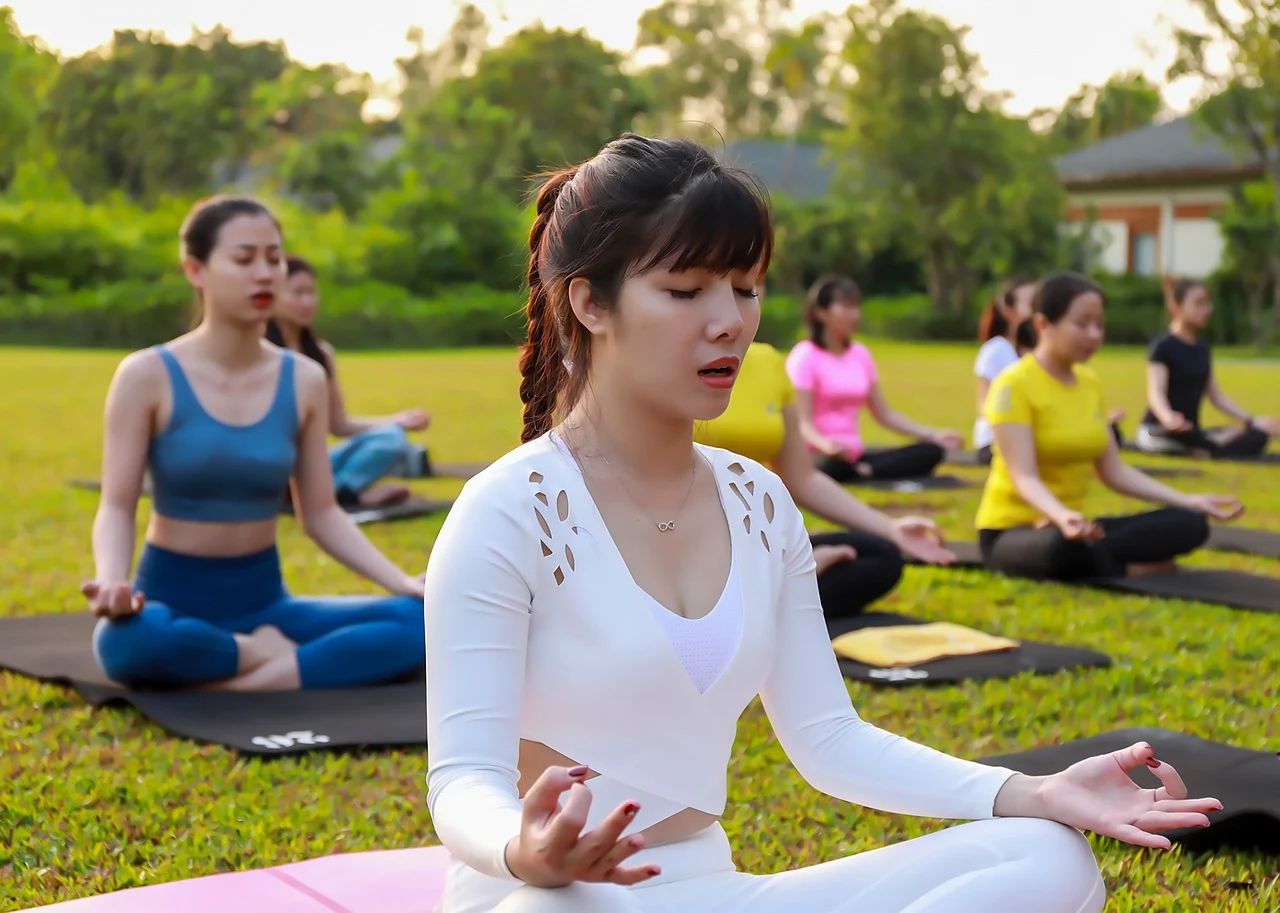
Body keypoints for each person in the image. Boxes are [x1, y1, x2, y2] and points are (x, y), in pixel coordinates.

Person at [424, 135, 1220, 913]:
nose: (730, 321)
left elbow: (830, 738)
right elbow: (462, 778)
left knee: (1043, 853)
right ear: (589, 301)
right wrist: (521, 846)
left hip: (714, 888)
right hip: (551, 897)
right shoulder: (508, 510)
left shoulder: (759, 501)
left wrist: (1035, 789)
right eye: (685, 289)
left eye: (745, 287)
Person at [85, 197, 425, 691]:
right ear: (195, 270)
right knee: (125, 642)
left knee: (415, 622)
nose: (265, 274)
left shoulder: (304, 379)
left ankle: (248, 681)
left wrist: (402, 582)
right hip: (169, 599)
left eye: (274, 258)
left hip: (266, 603)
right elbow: (116, 505)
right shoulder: (146, 375)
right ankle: (262, 656)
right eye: (244, 259)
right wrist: (114, 581)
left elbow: (322, 513)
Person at [976, 272, 1244, 581]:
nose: (1094, 335)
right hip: (1015, 531)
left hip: (1077, 527)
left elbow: (1114, 472)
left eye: (1099, 325)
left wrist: (1188, 500)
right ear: (1042, 325)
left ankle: (1100, 557)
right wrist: (1059, 515)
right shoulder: (1013, 385)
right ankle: (1129, 567)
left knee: (1190, 523)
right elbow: (1024, 476)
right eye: (1082, 324)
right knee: (1060, 549)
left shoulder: (1089, 383)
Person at [695, 340, 954, 620]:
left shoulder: (768, 360)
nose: (734, 313)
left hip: (758, 544)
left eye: (747, 294)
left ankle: (773, 594)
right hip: (687, 553)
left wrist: (890, 528)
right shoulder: (661, 361)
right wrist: (783, 567)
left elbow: (802, 477)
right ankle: (769, 593)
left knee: (879, 556)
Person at [266, 255, 432, 510]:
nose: (307, 301)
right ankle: (338, 493)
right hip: (270, 464)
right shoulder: (258, 352)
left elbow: (339, 424)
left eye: (311, 293)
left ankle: (337, 492)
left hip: (315, 465)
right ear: (273, 294)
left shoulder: (322, 354)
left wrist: (398, 420)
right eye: (297, 293)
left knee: (392, 438)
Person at [786, 276, 963, 482]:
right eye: (846, 307)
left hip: (855, 454)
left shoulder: (860, 355)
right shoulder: (805, 356)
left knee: (931, 452)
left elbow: (884, 414)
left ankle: (864, 471)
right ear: (820, 313)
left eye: (856, 307)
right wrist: (826, 445)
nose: (855, 315)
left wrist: (933, 435)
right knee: (830, 467)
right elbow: (802, 423)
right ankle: (863, 471)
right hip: (821, 454)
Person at [1135, 277, 1275, 458]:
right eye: (1199, 303)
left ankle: (1210, 443)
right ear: (1176, 306)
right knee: (1224, 443)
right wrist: (1168, 417)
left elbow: (1217, 397)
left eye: (1208, 303)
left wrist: (1251, 421)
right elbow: (1156, 394)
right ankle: (1209, 445)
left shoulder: (1202, 348)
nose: (1207, 310)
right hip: (1160, 430)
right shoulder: (1163, 346)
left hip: (1191, 432)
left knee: (1257, 436)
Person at [973, 278, 1036, 465]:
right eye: (1032, 302)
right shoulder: (996, 349)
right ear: (1010, 312)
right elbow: (985, 406)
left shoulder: (1044, 351)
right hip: (996, 441)